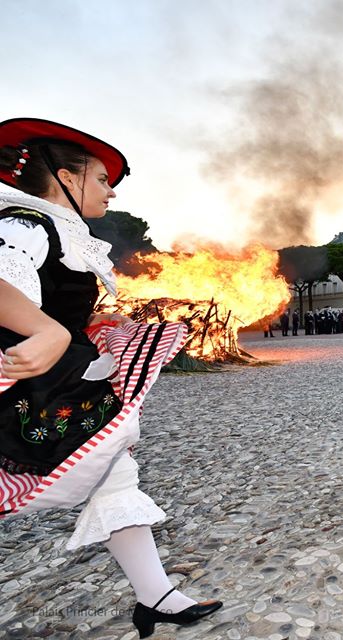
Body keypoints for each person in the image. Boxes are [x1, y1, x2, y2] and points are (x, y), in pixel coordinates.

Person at [0, 118, 221, 637]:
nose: (111, 190)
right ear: (65, 178)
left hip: (54, 385)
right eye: (100, 178)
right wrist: (49, 332)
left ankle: (156, 597)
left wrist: (85, 324)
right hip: (21, 384)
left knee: (115, 473)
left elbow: (45, 299)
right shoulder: (26, 223)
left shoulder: (54, 229)